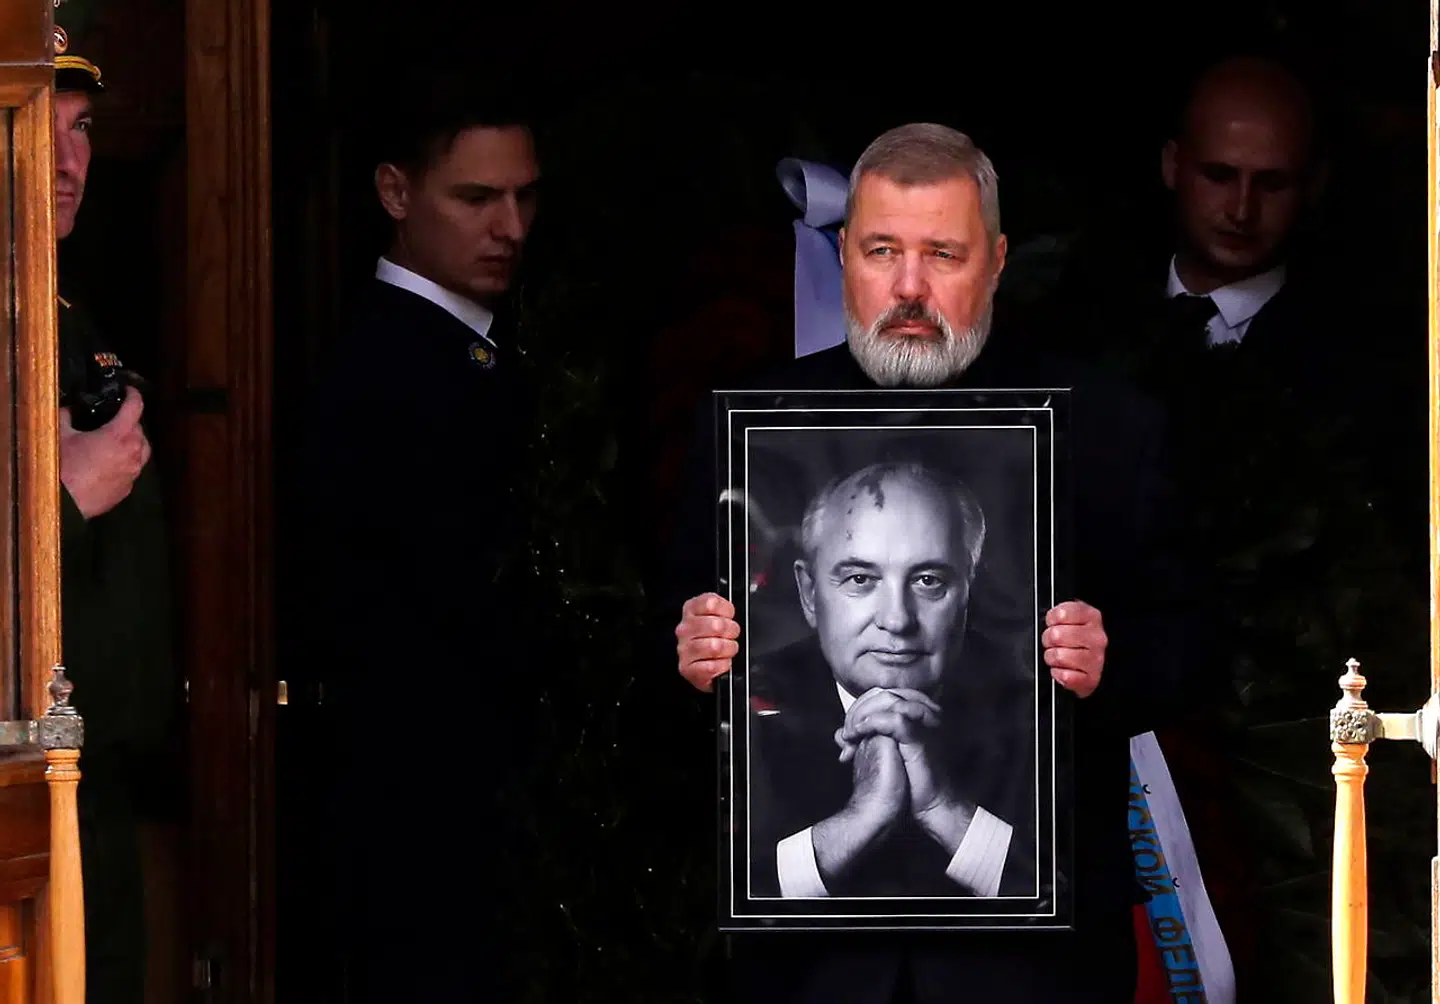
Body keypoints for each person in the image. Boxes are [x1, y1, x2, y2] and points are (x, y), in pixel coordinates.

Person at [668, 123, 1200, 1003]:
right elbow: (669, 651)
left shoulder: (1110, 428)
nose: (908, 288)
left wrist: (1112, 662)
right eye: (882, 251)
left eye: (942, 254)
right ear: (844, 254)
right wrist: (691, 652)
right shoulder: (749, 428)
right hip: (806, 971)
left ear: (996, 261)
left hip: (1034, 971)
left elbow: (1191, 649)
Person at [290, 68, 542, 1002]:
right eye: (476, 199)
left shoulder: (464, 347)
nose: (510, 227)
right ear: (396, 194)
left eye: (524, 197)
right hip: (421, 810)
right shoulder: (389, 367)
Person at [51, 19, 183, 1004]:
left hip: (98, 781)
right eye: (35, 128)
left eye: (83, 127)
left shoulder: (58, 308)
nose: (68, 161)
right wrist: (67, 496)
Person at [750, 460, 1030, 901]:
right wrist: (858, 820)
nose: (897, 620)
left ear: (968, 591)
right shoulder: (741, 701)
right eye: (861, 579)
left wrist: (944, 809)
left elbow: (1070, 900)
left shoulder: (1035, 708)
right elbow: (703, 907)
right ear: (809, 594)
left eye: (928, 581)